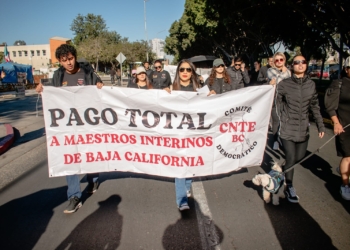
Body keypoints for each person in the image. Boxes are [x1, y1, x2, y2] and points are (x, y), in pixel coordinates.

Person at [36, 44, 103, 213]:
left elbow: (100, 95)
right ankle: (74, 196)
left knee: (89, 154)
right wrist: (42, 90)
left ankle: (93, 178)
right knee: (70, 157)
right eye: (64, 61)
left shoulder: (88, 73)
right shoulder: (58, 75)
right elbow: (53, 97)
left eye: (71, 59)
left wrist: (100, 87)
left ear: (75, 57)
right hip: (67, 125)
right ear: (60, 61)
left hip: (88, 123)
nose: (69, 63)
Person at [276, 55, 325, 203]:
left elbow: (315, 106)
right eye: (296, 62)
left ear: (306, 65)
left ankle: (285, 170)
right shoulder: (284, 84)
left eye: (303, 62)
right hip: (287, 129)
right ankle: (289, 186)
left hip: (303, 129)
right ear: (292, 66)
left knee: (298, 158)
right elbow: (277, 104)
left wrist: (320, 124)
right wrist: (282, 119)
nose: (300, 64)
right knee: (291, 157)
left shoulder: (311, 85)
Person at [168, 59, 200, 210]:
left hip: (193, 134)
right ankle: (182, 201)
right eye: (182, 70)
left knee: (190, 163)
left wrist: (212, 95)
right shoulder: (171, 89)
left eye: (188, 70)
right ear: (178, 72)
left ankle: (187, 186)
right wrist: (163, 95)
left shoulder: (199, 90)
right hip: (177, 135)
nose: (185, 72)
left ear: (192, 72)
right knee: (180, 165)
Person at [325, 56, 350, 200]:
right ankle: (345, 185)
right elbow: (330, 106)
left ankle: (344, 171)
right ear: (346, 69)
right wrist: (336, 122)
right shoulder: (339, 84)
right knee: (348, 156)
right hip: (344, 126)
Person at [268, 52, 291, 150]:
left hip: (286, 100)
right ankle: (275, 140)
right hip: (275, 99)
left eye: (281, 59)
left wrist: (284, 72)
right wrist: (284, 72)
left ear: (284, 60)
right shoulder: (270, 70)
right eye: (276, 60)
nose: (279, 62)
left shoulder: (289, 72)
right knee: (276, 120)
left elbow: (288, 83)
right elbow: (278, 80)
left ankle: (285, 140)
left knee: (285, 120)